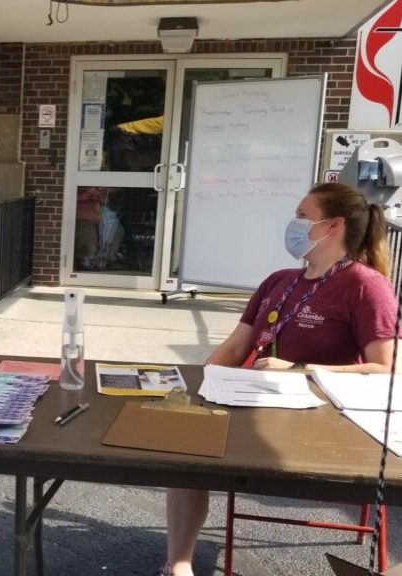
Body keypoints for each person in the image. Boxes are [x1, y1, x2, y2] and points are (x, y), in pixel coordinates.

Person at [158, 182, 399, 576]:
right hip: (256, 402)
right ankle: (178, 564)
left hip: (321, 423)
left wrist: (301, 371)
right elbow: (235, 347)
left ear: (333, 225)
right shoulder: (279, 280)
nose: (294, 223)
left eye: (303, 216)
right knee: (184, 452)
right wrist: (199, 385)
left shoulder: (365, 285)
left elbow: (384, 370)